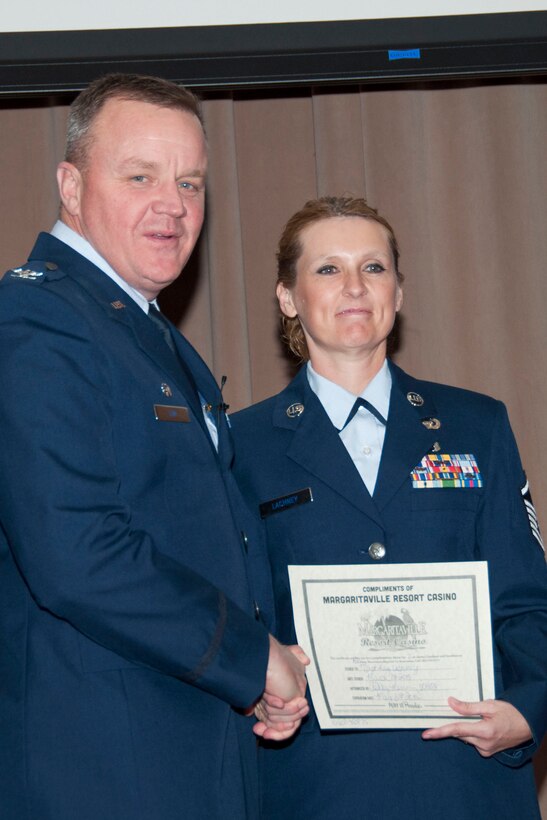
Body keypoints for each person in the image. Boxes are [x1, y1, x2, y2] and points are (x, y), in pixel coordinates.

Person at [0, 73, 308, 820]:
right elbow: (77, 552)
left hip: (180, 752)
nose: (173, 205)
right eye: (140, 176)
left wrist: (267, 662)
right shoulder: (36, 322)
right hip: (101, 769)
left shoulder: (141, 332)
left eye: (191, 182)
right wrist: (250, 656)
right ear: (70, 187)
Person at [231, 196, 547, 819]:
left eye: (373, 268)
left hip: (466, 781)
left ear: (398, 294)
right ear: (288, 298)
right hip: (317, 787)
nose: (354, 286)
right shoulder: (240, 446)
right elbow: (232, 616)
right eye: (328, 269)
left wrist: (528, 710)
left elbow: (526, 601)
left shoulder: (476, 425)